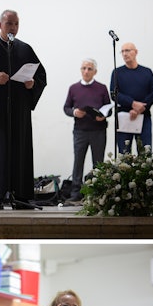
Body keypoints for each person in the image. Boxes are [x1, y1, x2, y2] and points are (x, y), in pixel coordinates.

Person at [0, 10, 47, 209]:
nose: (13, 27)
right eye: (9, 24)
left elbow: (41, 76)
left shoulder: (25, 49)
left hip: (18, 113)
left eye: (16, 24)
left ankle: (19, 195)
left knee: (17, 151)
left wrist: (32, 85)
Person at [63, 59, 111, 201]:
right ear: (80, 70)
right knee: (78, 161)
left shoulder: (102, 88)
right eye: (84, 68)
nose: (86, 71)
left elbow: (108, 107)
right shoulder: (73, 88)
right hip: (80, 131)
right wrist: (74, 112)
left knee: (98, 163)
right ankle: (76, 192)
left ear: (95, 72)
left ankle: (98, 192)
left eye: (89, 69)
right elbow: (66, 108)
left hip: (98, 130)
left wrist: (104, 115)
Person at [109, 41, 153, 154]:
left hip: (143, 116)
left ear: (136, 52)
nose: (125, 54)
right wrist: (132, 103)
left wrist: (139, 108)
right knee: (124, 154)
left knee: (145, 153)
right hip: (124, 118)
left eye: (128, 50)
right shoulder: (117, 72)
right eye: (123, 51)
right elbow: (114, 94)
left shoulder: (147, 72)